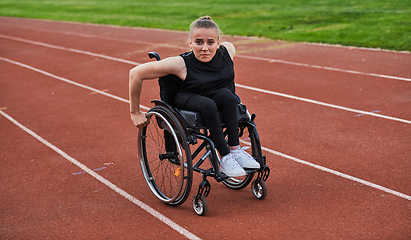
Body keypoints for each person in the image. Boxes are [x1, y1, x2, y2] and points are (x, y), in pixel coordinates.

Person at [129, 16, 259, 177]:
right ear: (190, 43)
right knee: (208, 105)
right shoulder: (180, 63)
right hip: (187, 97)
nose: (205, 48)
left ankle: (235, 149)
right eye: (199, 42)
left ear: (219, 43)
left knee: (229, 97)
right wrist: (134, 112)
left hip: (215, 95)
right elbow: (135, 73)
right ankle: (225, 157)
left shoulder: (228, 50)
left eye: (210, 42)